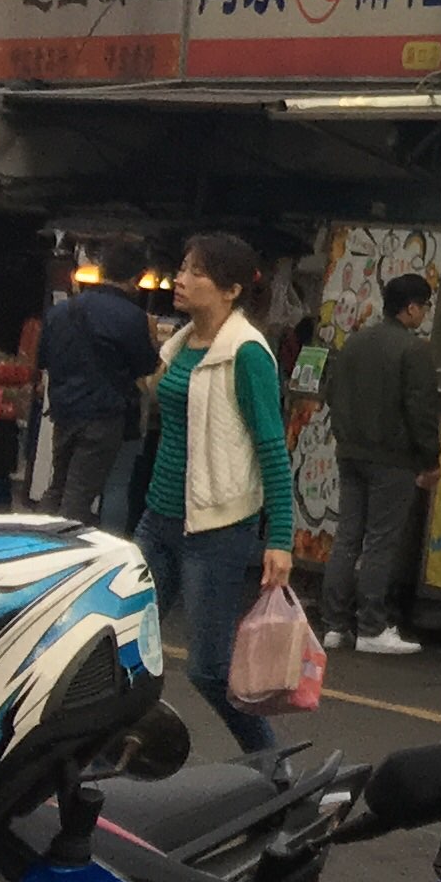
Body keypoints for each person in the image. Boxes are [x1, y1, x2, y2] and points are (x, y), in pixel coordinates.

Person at [135, 231, 298, 758]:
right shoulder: (182, 343)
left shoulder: (248, 354)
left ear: (230, 290)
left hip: (218, 529)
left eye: (196, 273)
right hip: (158, 519)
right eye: (182, 268)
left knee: (207, 669)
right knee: (123, 653)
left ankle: (273, 770)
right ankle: (105, 756)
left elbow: (272, 448)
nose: (181, 280)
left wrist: (280, 538)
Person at [317, 276, 441, 657]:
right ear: (411, 308)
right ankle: (372, 626)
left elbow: (329, 392)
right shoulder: (413, 351)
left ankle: (335, 625)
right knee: (380, 542)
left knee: (348, 537)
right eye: (424, 306)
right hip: (393, 459)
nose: (424, 313)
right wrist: (430, 459)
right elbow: (420, 410)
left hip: (350, 452)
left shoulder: (354, 342)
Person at [37, 238, 163, 535]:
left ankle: (35, 538)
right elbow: (146, 368)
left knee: (58, 485)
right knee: (82, 495)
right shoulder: (133, 318)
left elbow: (43, 358)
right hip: (104, 417)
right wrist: (154, 339)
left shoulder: (60, 312)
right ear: (136, 278)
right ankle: (67, 555)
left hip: (64, 411)